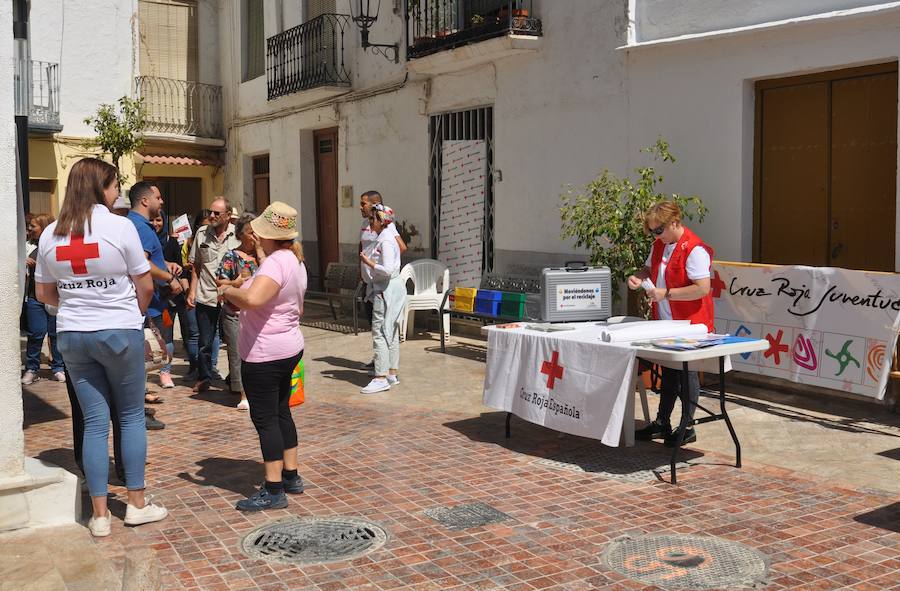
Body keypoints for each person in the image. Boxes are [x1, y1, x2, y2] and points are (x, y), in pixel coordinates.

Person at [34, 157, 168, 537]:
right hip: (118, 331)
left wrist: (79, 303)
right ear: (99, 187)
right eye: (113, 186)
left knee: (93, 423)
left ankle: (99, 516)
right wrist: (130, 314)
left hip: (73, 335)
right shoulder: (119, 226)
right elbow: (144, 285)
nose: (117, 193)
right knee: (129, 417)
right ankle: (137, 505)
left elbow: (44, 292)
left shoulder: (49, 234)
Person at [219, 202, 307, 511]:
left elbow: (253, 300)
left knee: (266, 419)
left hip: (265, 353)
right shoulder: (294, 260)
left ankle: (273, 488)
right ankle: (291, 475)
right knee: (282, 412)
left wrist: (227, 291)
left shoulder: (274, 264)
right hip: (289, 347)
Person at [627, 200, 714, 447]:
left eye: (659, 230)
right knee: (668, 373)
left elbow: (702, 289)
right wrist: (638, 278)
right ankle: (662, 422)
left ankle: (688, 425)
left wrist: (666, 294)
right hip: (667, 321)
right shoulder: (659, 245)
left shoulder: (694, 249)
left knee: (687, 374)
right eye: (653, 231)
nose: (656, 236)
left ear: (674, 222)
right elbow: (647, 270)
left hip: (691, 323)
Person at [128, 182, 183, 391]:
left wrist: (164, 264)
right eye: (158, 198)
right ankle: (139, 401)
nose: (162, 201)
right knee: (148, 350)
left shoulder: (132, 223)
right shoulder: (141, 227)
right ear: (145, 201)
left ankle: (141, 395)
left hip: (147, 302)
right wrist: (169, 278)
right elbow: (140, 263)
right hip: (147, 304)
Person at [188, 198, 239, 392]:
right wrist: (192, 291)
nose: (212, 216)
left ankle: (233, 378)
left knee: (233, 340)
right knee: (205, 341)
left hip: (231, 297)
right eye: (211, 212)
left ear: (227, 216)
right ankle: (204, 377)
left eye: (217, 213)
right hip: (206, 294)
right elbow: (197, 266)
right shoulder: (202, 234)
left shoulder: (237, 236)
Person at [216, 213, 265, 410]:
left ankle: (258, 390)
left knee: (258, 353)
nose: (253, 236)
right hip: (234, 313)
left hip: (257, 314)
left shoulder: (262, 257)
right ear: (239, 235)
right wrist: (235, 283)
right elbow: (219, 281)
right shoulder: (231, 256)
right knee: (237, 353)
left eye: (255, 232)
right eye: (249, 232)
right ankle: (243, 393)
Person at [359, 203, 405, 394]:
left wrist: (368, 262)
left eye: (373, 219)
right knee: (390, 330)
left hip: (386, 289)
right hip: (391, 288)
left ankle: (380, 377)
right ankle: (391, 373)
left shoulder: (385, 240)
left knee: (380, 331)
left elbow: (386, 270)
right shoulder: (387, 236)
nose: (370, 224)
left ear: (381, 220)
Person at [22, 213, 66, 384]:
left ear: (44, 226)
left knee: (56, 334)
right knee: (36, 333)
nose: (30, 229)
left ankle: (58, 367)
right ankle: (32, 368)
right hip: (35, 298)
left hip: (55, 296)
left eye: (33, 226)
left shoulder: (55, 245)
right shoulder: (28, 246)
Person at [155, 211, 199, 379]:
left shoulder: (171, 242)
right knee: (166, 335)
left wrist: (187, 290)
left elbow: (180, 269)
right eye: (152, 220)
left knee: (189, 333)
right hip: (161, 298)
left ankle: (194, 368)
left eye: (159, 220)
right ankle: (165, 370)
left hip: (178, 296)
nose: (156, 223)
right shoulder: (146, 242)